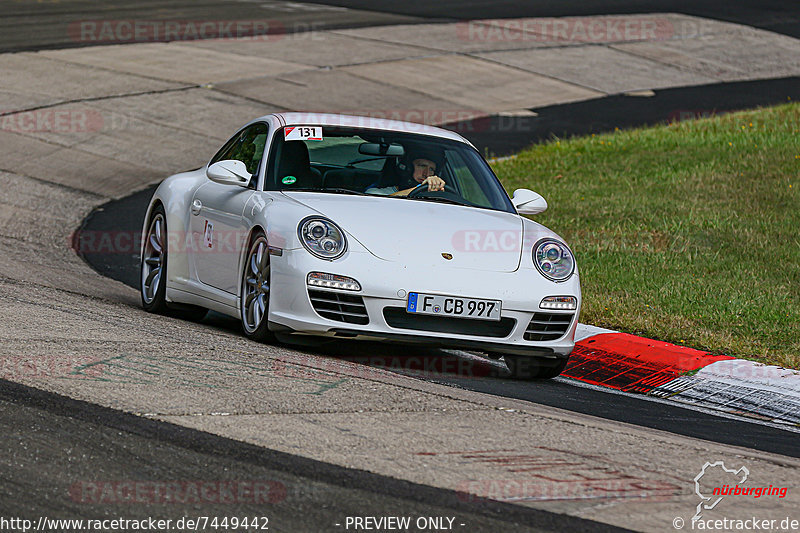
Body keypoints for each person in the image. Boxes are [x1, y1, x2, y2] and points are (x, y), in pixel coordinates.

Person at [365, 147, 446, 196]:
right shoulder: (376, 192)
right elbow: (377, 203)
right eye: (422, 166)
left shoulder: (436, 197)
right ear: (408, 168)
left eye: (431, 169)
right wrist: (420, 188)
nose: (426, 174)